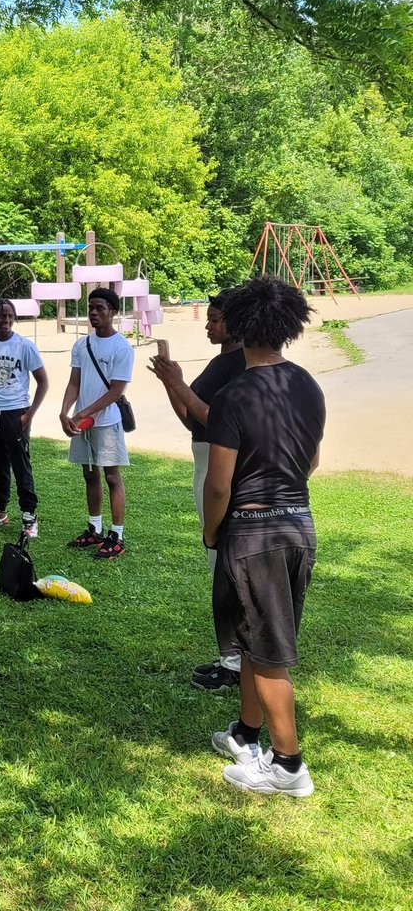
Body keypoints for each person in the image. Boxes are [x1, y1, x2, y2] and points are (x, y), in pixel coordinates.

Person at [202, 279, 324, 798]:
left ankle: (289, 767)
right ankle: (246, 735)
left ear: (241, 325)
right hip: (299, 526)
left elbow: (218, 482)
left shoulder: (232, 397)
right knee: (257, 635)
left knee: (270, 651)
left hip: (254, 536)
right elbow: (312, 461)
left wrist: (212, 531)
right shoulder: (308, 385)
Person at [148, 291, 247, 691]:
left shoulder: (239, 365)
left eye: (216, 319)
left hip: (219, 467)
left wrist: (179, 383)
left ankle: (238, 664)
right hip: (204, 458)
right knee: (217, 567)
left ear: (237, 323)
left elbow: (218, 421)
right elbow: (193, 421)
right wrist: (172, 384)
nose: (208, 325)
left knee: (225, 567)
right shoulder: (222, 361)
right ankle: (231, 659)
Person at [60, 288, 134, 558]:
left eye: (100, 308)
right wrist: (65, 411)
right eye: (91, 307)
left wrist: (84, 413)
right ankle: (94, 528)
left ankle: (117, 536)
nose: (93, 312)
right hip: (83, 422)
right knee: (89, 474)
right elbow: (74, 382)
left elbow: (116, 391)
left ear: (112, 312)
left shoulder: (121, 347)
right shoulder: (82, 345)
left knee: (112, 477)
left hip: (106, 422)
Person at [0, 298, 48, 537]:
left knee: (21, 465)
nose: (5, 320)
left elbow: (43, 382)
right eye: (1, 316)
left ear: (14, 318)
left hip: (17, 412)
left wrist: (29, 414)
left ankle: (29, 516)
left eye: (9, 316)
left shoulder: (24, 346)